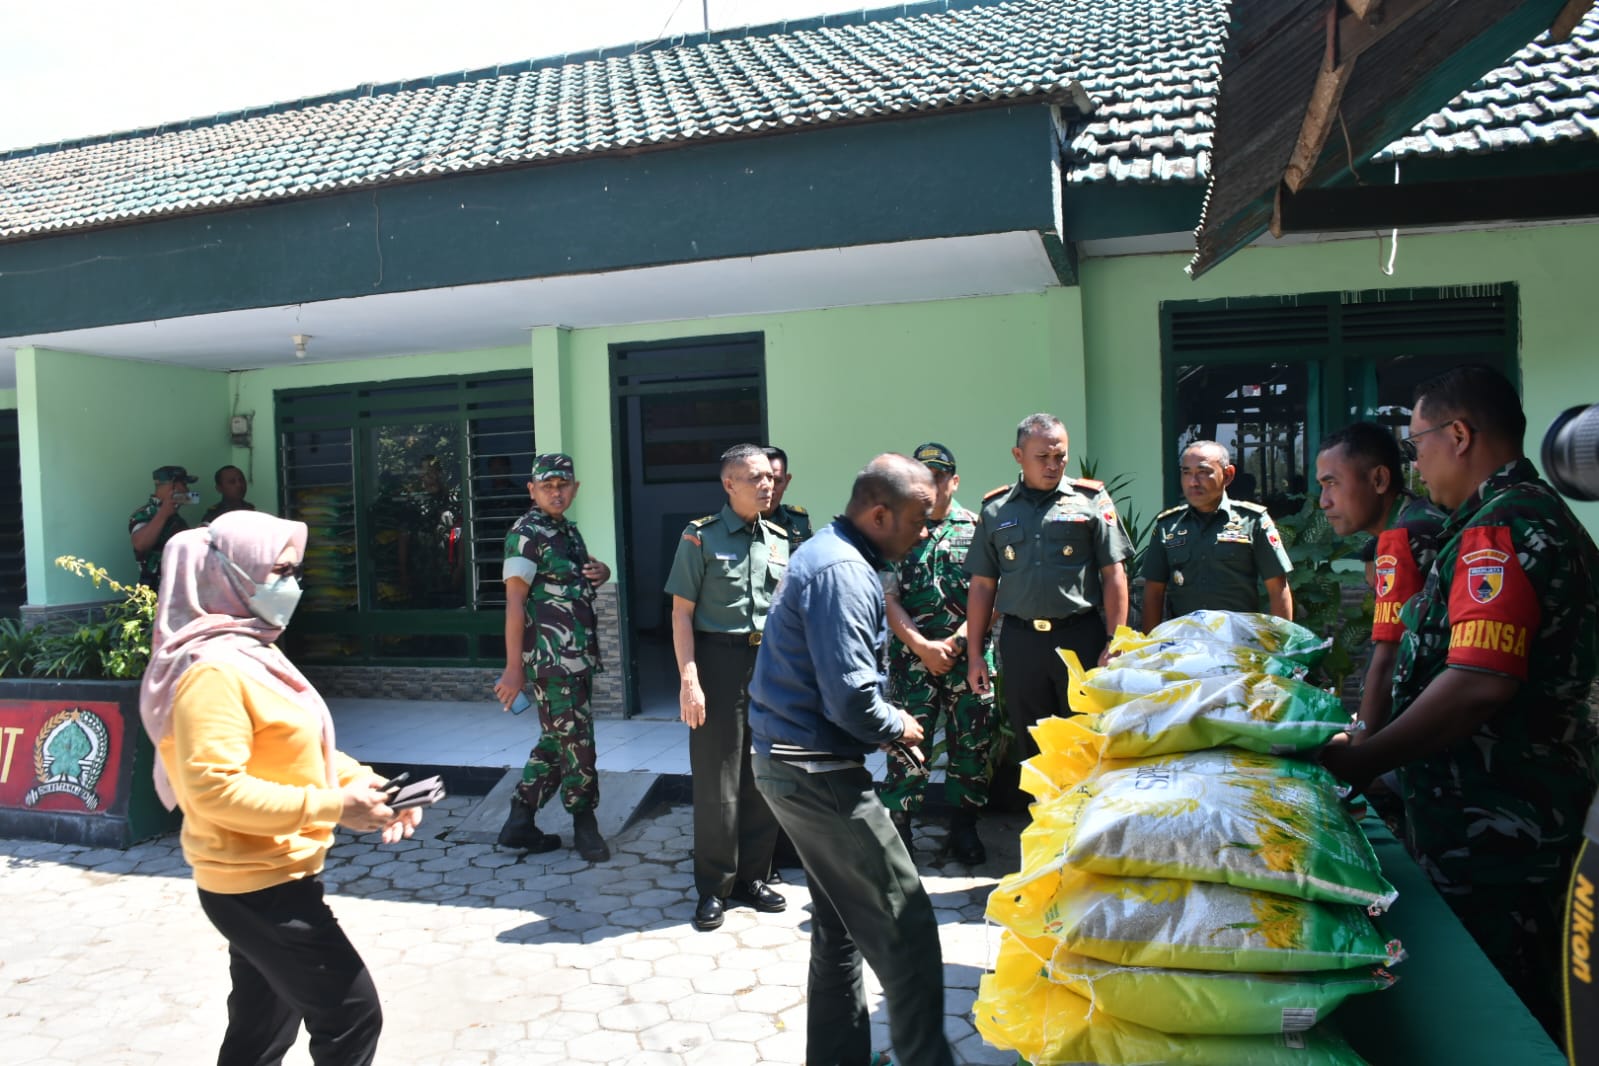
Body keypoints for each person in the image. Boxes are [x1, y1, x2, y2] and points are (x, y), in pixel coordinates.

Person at [1319, 366, 1599, 1040]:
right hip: (1510, 812)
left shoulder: (1500, 528)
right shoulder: (1508, 516)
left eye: (1417, 445)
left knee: (1502, 1017)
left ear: (1459, 435)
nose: (1415, 466)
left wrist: (1365, 760)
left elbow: (1477, 682)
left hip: (1500, 825)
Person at [138, 510, 422, 1066]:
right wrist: (336, 806)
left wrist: (365, 782)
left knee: (261, 1030)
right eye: (280, 571)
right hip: (254, 885)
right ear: (231, 575)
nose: (292, 585)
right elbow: (213, 791)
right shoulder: (213, 671)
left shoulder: (252, 651)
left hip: (277, 875)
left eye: (295, 572)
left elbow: (299, 747)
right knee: (351, 1015)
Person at [749, 453, 951, 1066]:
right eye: (918, 520)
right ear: (880, 514)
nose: (925, 534)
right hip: (818, 775)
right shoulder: (843, 571)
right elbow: (851, 700)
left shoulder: (834, 553)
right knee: (907, 926)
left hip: (793, 765)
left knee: (839, 925)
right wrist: (898, 726)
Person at [664, 443, 788, 931]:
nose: (767, 485)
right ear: (729, 484)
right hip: (718, 663)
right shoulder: (700, 537)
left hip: (769, 666)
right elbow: (681, 613)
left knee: (764, 773)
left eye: (770, 477)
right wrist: (689, 679)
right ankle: (714, 887)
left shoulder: (779, 539)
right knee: (718, 780)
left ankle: (752, 878)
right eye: (756, 478)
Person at [965, 413, 1131, 757]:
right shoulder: (996, 509)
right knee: (1032, 743)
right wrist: (975, 654)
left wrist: (1115, 641)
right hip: (1021, 642)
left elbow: (1114, 574)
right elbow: (982, 585)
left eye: (1060, 456)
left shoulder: (1091, 500)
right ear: (1018, 455)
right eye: (1043, 457)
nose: (1053, 465)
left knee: (1086, 739)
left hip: (1080, 638)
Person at [492, 453, 614, 863]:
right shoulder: (525, 534)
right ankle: (584, 823)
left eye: (563, 485)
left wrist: (601, 572)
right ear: (532, 490)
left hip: (576, 658)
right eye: (547, 486)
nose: (556, 492)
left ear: (575, 488)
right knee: (578, 743)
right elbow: (514, 603)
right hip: (551, 661)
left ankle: (520, 820)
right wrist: (513, 669)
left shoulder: (567, 532)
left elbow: (574, 582)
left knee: (558, 739)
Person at [879, 441, 996, 865]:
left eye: (939, 477)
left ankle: (963, 827)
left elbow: (994, 593)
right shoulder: (897, 531)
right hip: (912, 659)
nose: (931, 485)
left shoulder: (979, 528)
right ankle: (900, 831)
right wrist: (924, 648)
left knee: (972, 742)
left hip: (970, 657)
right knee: (907, 741)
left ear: (954, 481)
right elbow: (889, 598)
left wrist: (959, 642)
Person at [1314, 421, 1446, 737]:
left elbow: (1388, 658)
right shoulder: (1419, 518)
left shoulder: (1401, 537)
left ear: (1379, 480)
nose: (1323, 501)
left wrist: (1360, 745)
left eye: (1332, 483)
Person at [1141, 440, 1294, 625]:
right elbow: (1153, 592)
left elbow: (1278, 589)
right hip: (1185, 639)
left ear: (1228, 475)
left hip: (1239, 638)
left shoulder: (1253, 521)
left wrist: (1280, 641)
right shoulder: (1167, 526)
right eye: (1186, 473)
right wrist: (1150, 641)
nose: (1193, 482)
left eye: (1203, 472)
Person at [763, 445, 813, 545]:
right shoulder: (733, 524)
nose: (770, 489)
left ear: (787, 481)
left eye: (777, 481)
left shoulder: (799, 521)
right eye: (763, 480)